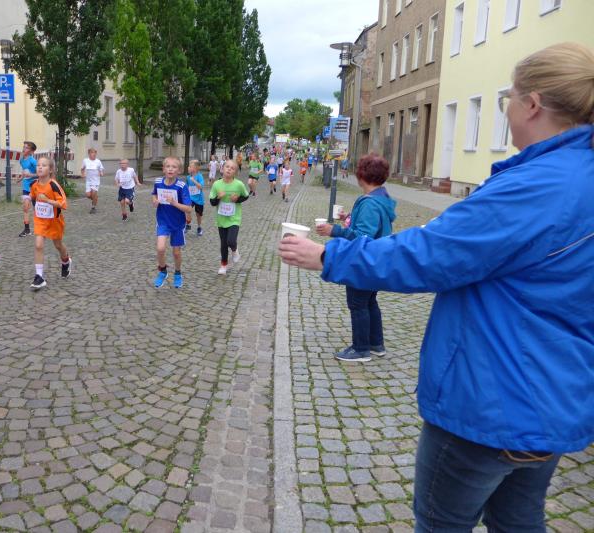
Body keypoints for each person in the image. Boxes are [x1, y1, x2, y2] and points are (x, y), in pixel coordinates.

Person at [279, 42, 594, 532]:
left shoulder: (535, 186)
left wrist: (328, 255)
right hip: (555, 399)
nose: (506, 110)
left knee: (441, 522)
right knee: (518, 520)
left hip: (494, 399)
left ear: (532, 104)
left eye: (507, 99)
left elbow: (428, 256)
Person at [313, 153, 396, 361]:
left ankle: (361, 349)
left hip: (363, 261)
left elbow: (363, 237)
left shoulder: (369, 203)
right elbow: (370, 225)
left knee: (358, 303)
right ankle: (376, 344)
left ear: (362, 176)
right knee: (370, 301)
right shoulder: (380, 197)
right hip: (377, 259)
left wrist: (335, 230)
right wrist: (349, 218)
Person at [29, 156, 71, 289]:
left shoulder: (53, 185)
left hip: (54, 221)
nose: (40, 167)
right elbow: (32, 196)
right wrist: (27, 201)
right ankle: (39, 276)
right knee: (38, 245)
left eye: (44, 165)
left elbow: (63, 204)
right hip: (40, 220)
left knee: (58, 245)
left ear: (51, 170)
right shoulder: (34, 184)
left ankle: (66, 260)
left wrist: (47, 200)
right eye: (38, 165)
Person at [152, 157, 193, 289]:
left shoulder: (181, 186)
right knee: (160, 248)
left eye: (174, 167)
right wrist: (155, 201)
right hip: (163, 221)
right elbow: (154, 194)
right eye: (168, 166)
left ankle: (177, 273)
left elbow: (189, 209)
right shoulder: (158, 182)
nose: (170, 169)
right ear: (163, 169)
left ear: (179, 171)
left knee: (176, 252)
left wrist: (175, 203)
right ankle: (163, 271)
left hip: (177, 223)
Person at [210, 159, 249, 275]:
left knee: (231, 241)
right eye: (227, 167)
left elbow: (246, 196)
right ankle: (223, 265)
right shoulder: (217, 184)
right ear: (222, 168)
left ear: (235, 172)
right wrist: (218, 197)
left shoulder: (239, 184)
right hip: (221, 218)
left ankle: (235, 250)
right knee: (223, 243)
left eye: (232, 168)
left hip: (234, 218)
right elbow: (212, 202)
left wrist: (237, 199)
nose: (229, 169)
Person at [19, 141, 38, 237]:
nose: (24, 149)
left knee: (36, 209)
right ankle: (27, 230)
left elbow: (40, 174)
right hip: (26, 186)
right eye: (24, 147)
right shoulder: (21, 160)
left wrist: (30, 175)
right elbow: (24, 171)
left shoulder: (33, 161)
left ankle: (41, 227)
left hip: (34, 186)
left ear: (31, 151)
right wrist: (20, 178)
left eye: (26, 148)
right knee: (26, 207)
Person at [185, 159, 206, 236]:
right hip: (191, 198)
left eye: (190, 166)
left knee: (198, 215)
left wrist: (194, 181)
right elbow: (187, 187)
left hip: (199, 199)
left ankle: (199, 227)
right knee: (187, 209)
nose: (188, 167)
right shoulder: (188, 177)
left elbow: (201, 187)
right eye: (189, 166)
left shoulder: (199, 176)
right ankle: (188, 224)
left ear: (196, 168)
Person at [81, 148, 104, 213]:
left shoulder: (98, 161)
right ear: (89, 154)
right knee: (88, 195)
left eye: (95, 153)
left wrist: (101, 173)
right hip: (88, 181)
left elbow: (101, 169)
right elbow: (82, 168)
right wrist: (82, 174)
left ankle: (93, 207)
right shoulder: (85, 160)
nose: (94, 154)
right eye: (92, 153)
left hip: (96, 181)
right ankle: (95, 198)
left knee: (93, 192)